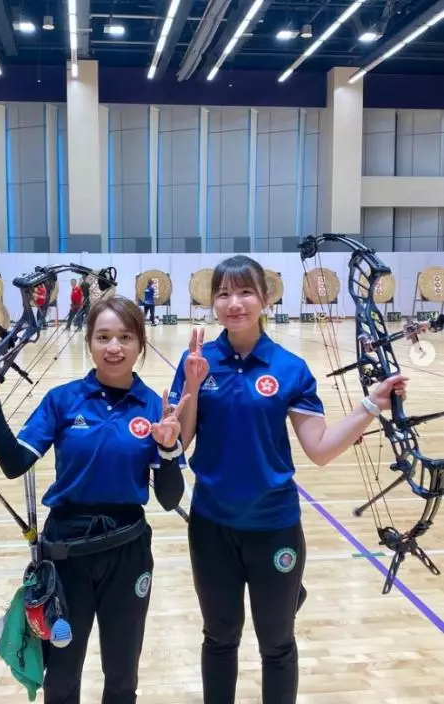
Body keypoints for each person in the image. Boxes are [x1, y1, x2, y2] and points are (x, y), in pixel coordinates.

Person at [169, 255, 408, 704]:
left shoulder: (290, 368)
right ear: (212, 302)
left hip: (274, 525)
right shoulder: (196, 361)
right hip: (211, 525)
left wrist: (370, 406)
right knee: (219, 638)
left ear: (265, 299)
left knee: (277, 644)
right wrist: (192, 386)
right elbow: (179, 444)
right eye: (223, 294)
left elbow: (319, 448)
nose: (234, 303)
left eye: (245, 292)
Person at [0, 295, 188, 704]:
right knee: (63, 676)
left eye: (125, 337)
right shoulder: (62, 400)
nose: (114, 347)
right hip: (67, 553)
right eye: (103, 337)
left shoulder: (155, 407)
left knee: (122, 674)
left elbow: (170, 498)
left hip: (128, 551)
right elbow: (15, 464)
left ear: (140, 343)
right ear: (89, 342)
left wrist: (169, 450)